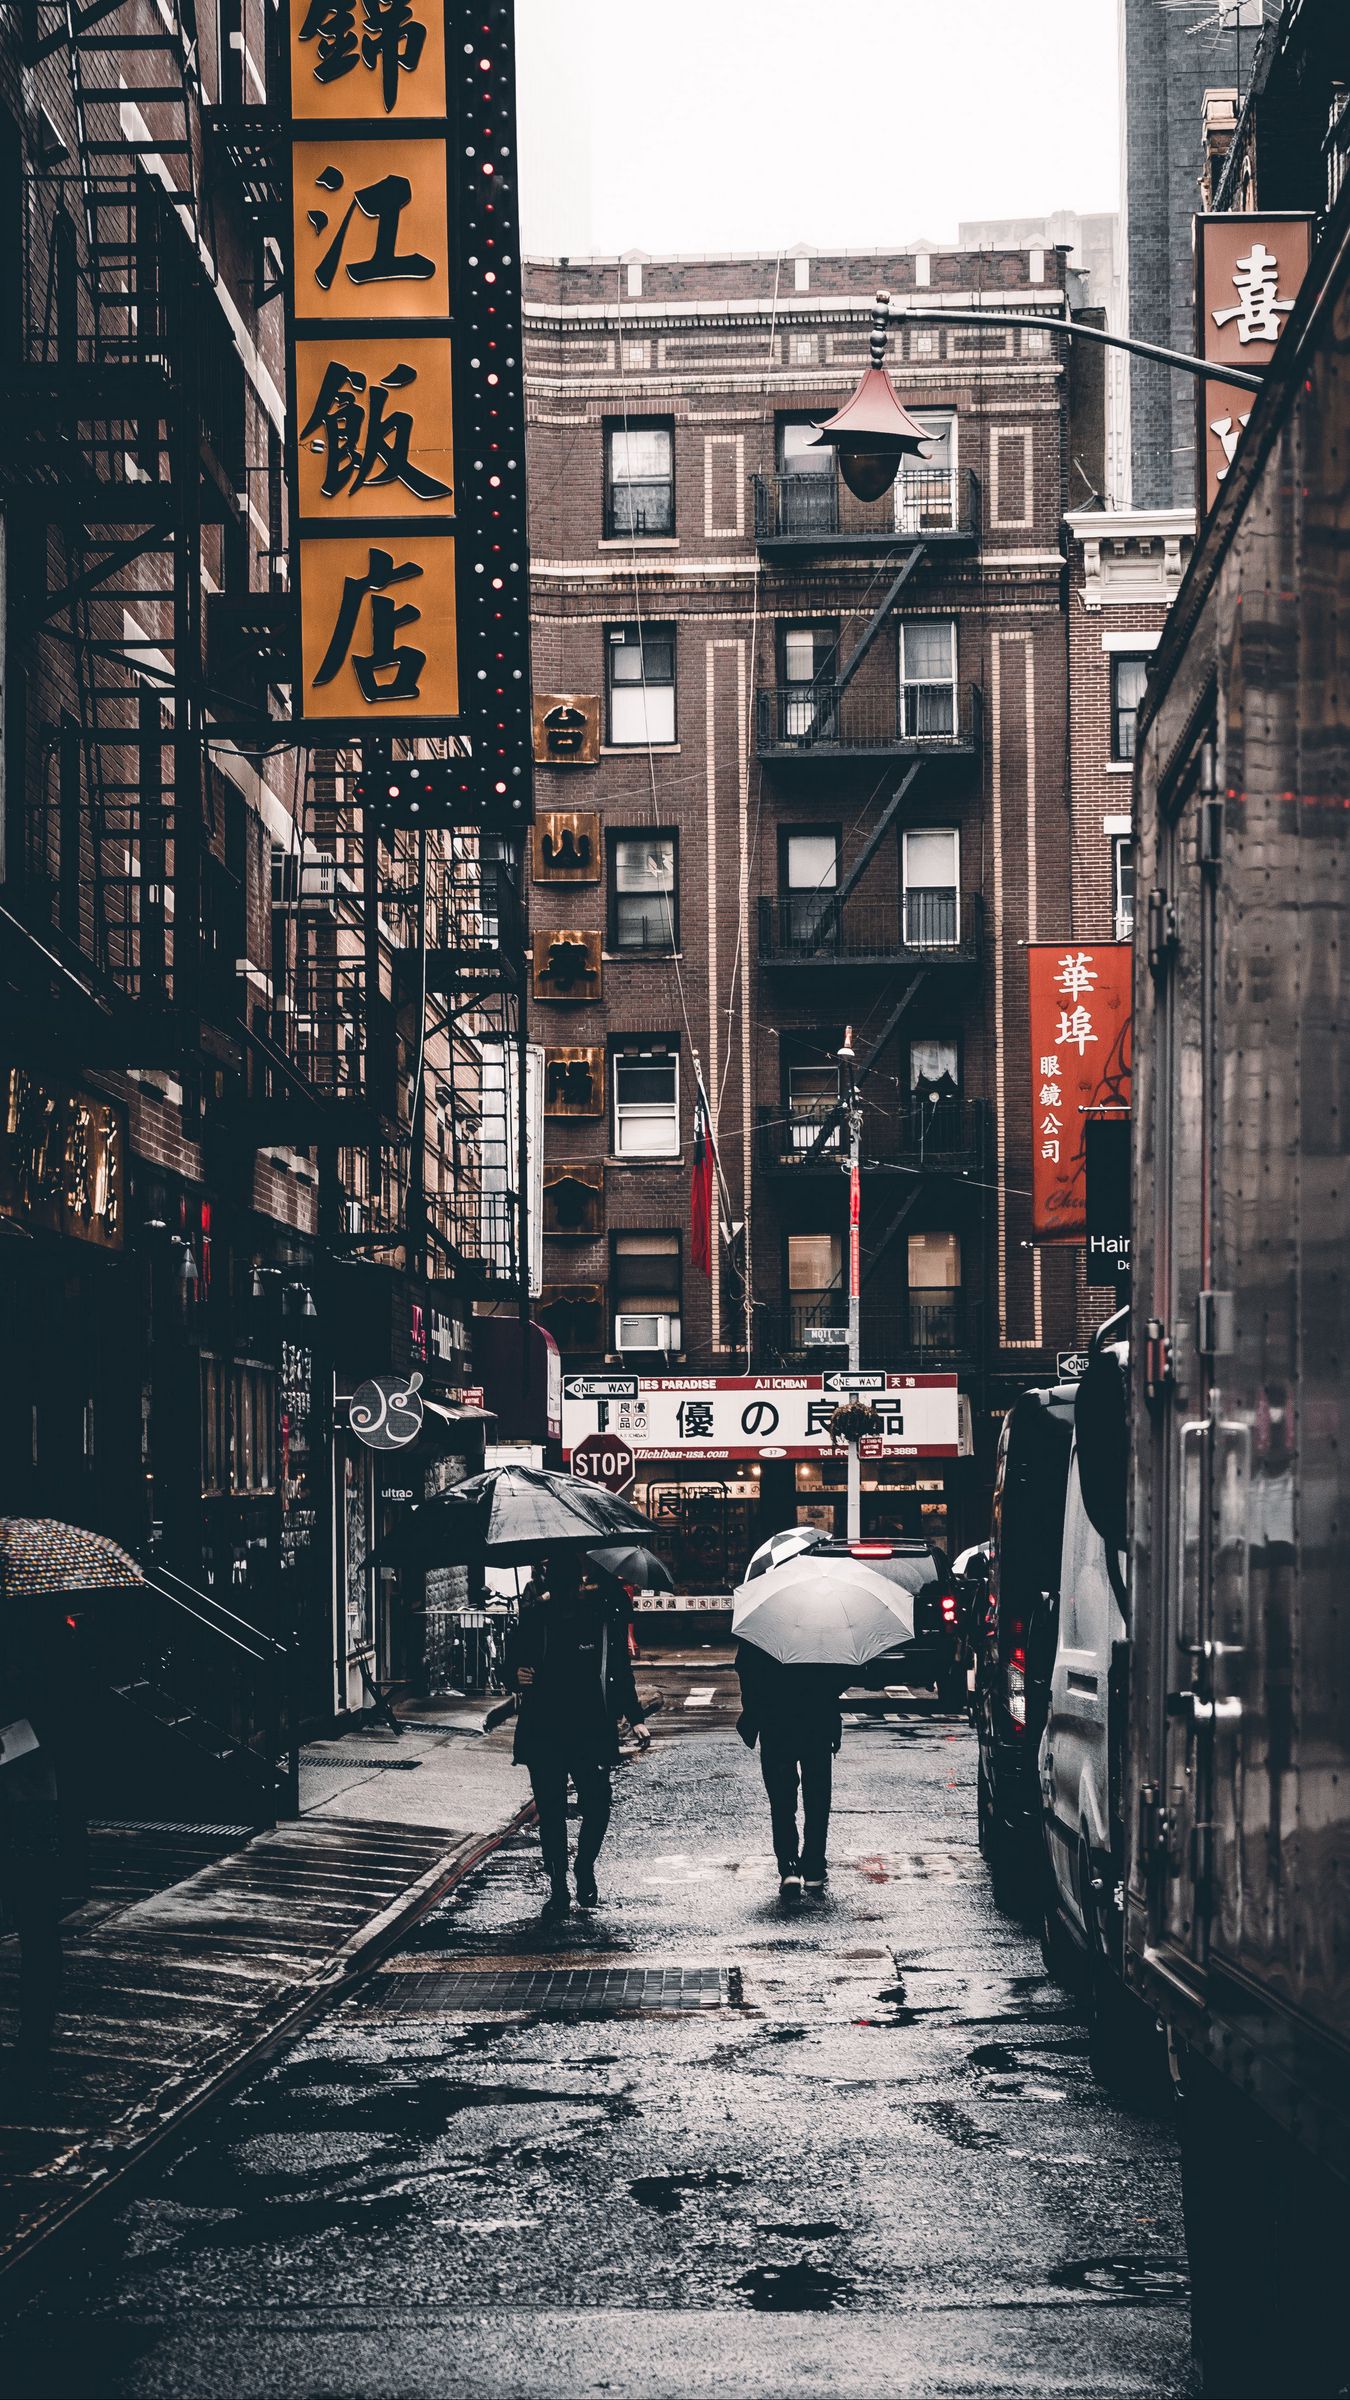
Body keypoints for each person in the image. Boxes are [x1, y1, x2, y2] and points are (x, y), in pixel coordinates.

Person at [509, 1554, 650, 1918]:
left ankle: (583, 1866)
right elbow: (512, 1666)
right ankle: (558, 1886)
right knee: (552, 1812)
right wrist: (516, 1675)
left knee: (597, 1804)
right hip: (545, 1730)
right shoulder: (534, 1619)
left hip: (589, 1727)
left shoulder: (600, 1621)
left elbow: (618, 1669)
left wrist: (634, 1717)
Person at [736, 1641, 847, 1898]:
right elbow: (842, 1674)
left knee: (782, 1801)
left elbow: (746, 1671)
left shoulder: (761, 1631)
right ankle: (815, 1867)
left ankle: (789, 1868)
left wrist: (756, 1711)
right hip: (816, 1721)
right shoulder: (823, 1629)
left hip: (775, 1723)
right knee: (817, 1800)